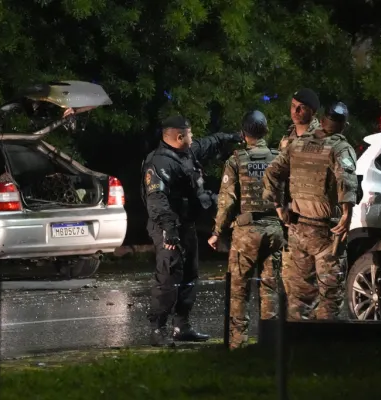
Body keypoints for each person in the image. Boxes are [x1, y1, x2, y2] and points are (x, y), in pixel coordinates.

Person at [141, 115, 243, 346]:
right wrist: (169, 230)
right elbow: (157, 200)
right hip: (167, 227)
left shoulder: (185, 153)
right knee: (168, 277)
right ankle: (157, 329)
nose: (193, 137)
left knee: (189, 275)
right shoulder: (159, 163)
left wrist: (231, 137)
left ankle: (182, 326)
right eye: (189, 134)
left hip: (185, 225)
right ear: (179, 137)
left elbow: (207, 143)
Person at [263, 102, 358, 320]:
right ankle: (321, 348)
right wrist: (347, 213)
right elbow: (347, 179)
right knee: (329, 297)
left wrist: (279, 207)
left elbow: (271, 173)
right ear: (344, 125)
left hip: (298, 229)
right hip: (327, 233)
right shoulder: (340, 148)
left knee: (298, 298)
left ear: (323, 120)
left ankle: (298, 348)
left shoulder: (297, 144)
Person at [207, 110, 285, 349]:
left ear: (243, 134)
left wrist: (216, 231)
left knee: (239, 290)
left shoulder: (236, 161)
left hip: (246, 233)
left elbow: (227, 201)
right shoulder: (278, 157)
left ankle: (237, 345)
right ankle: (270, 344)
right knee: (270, 289)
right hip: (275, 230)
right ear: (266, 131)